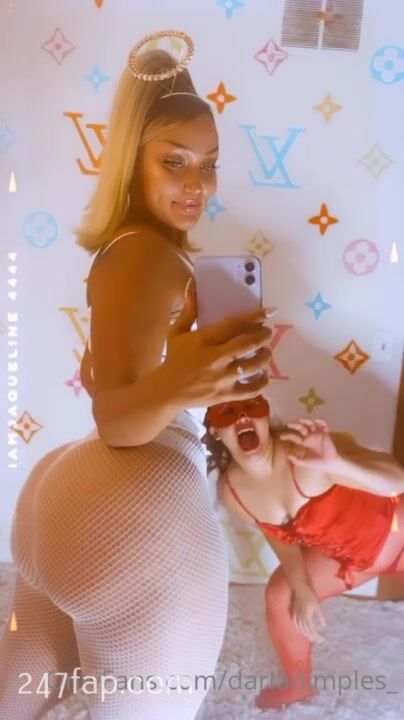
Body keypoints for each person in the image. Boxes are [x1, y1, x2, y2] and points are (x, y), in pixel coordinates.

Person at [0, 31, 274, 720]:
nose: (197, 184)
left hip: (66, 501)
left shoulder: (133, 253)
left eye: (209, 164)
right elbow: (120, 423)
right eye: (174, 161)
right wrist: (182, 384)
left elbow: (119, 393)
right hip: (135, 517)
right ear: (132, 162)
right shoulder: (146, 256)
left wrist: (194, 382)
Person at [203, 395, 404, 709]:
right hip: (350, 559)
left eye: (252, 407)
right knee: (281, 596)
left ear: (265, 414)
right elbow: (278, 535)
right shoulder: (233, 493)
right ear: (215, 429)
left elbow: (397, 480)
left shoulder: (306, 451)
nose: (243, 418)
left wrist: (337, 464)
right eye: (228, 412)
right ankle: (298, 685)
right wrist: (302, 587)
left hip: (397, 532)